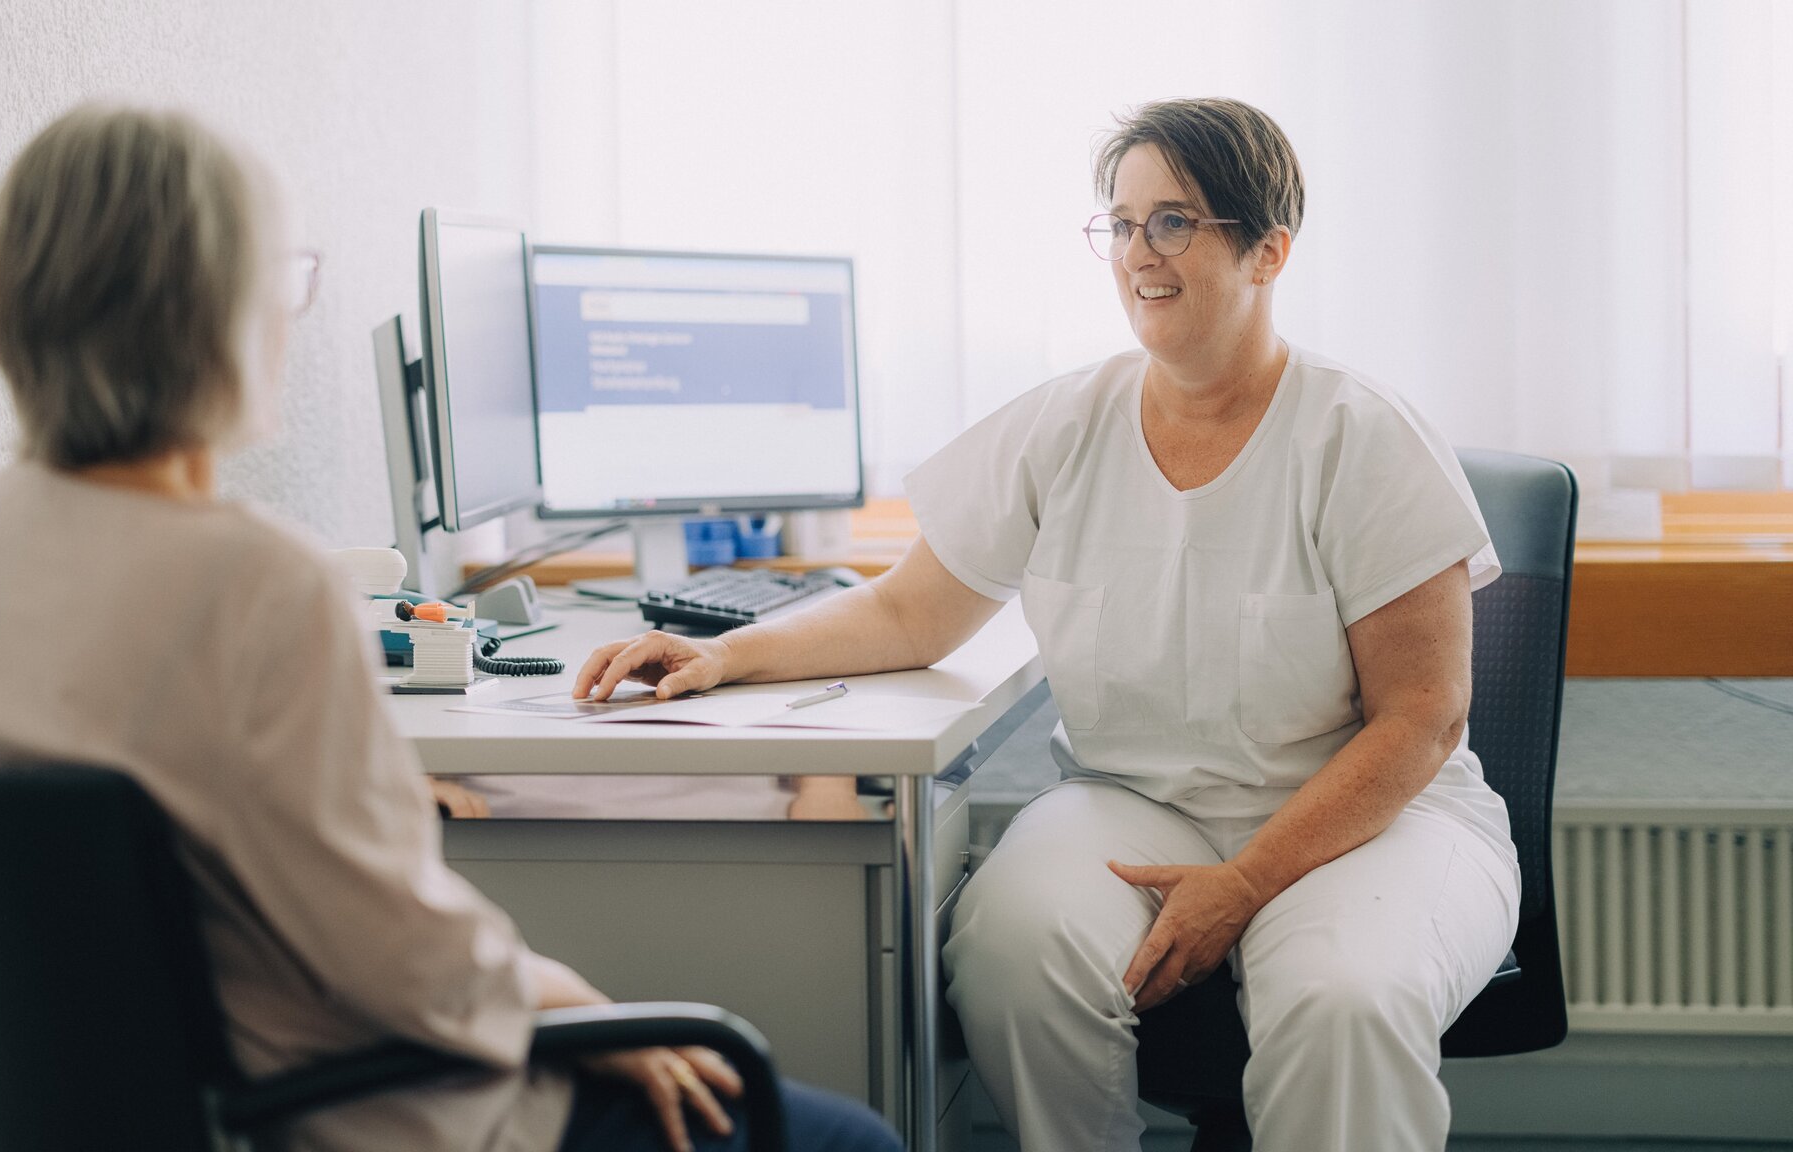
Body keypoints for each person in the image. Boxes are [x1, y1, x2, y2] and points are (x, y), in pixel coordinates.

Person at [0, 103, 900, 1152]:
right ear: (216, 311)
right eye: (285, 276)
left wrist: (290, 802)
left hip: (156, 1104)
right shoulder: (261, 579)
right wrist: (574, 1006)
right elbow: (400, 953)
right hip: (366, 1110)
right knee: (849, 1138)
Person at [574, 98, 1522, 1150]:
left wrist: (1245, 883)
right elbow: (909, 608)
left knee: (1343, 1000)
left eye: (1175, 222)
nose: (1138, 253)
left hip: (1373, 821)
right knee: (1010, 946)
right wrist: (725, 651)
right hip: (1139, 803)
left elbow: (1423, 718)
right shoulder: (1067, 423)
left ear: (1268, 250)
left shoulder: (1361, 434)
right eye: (1120, 223)